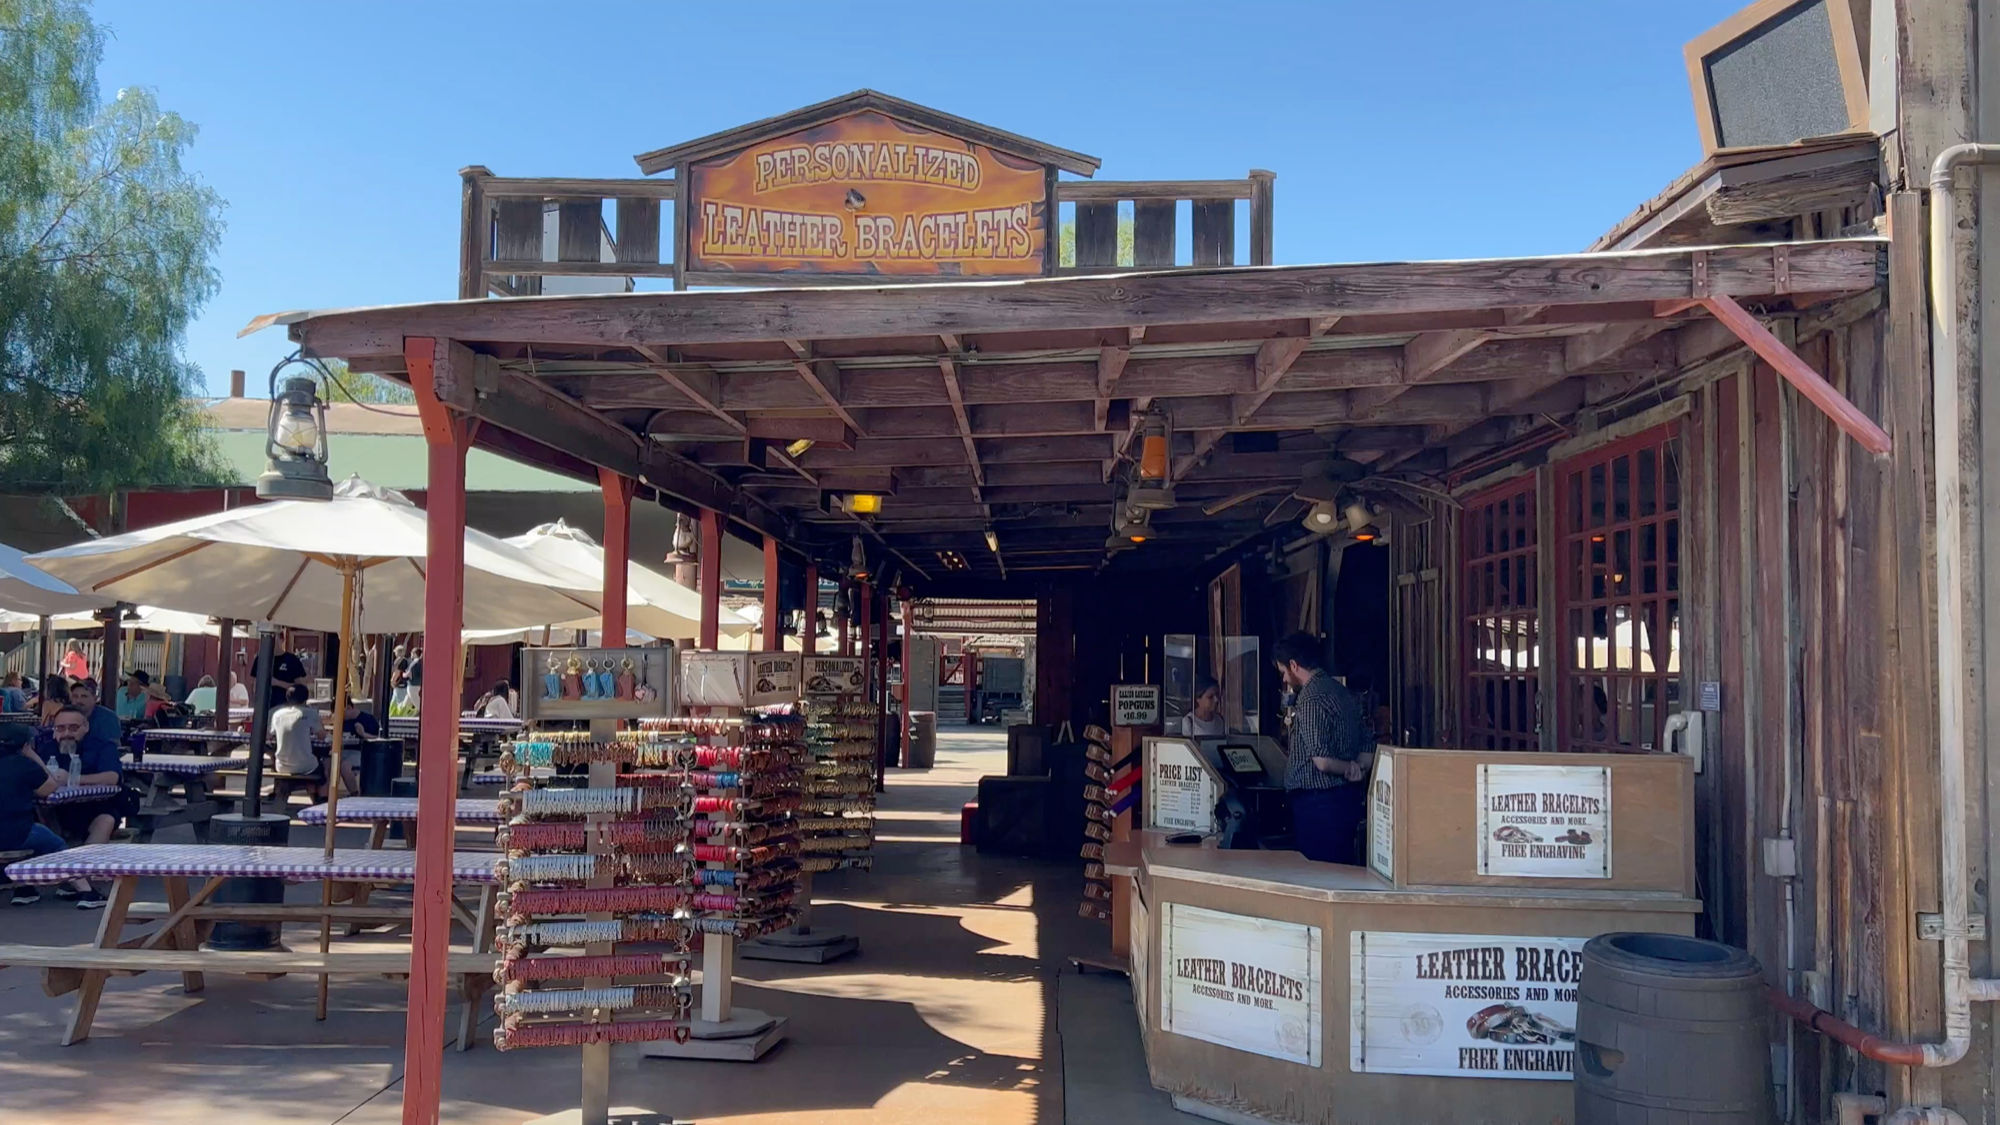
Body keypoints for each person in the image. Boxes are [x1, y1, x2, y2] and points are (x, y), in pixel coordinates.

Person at [1273, 632, 1374, 866]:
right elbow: (1368, 746)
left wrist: (1347, 767)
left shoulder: (1309, 698)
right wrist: (1357, 768)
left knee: (1319, 875)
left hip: (1317, 805)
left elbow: (1322, 760)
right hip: (1347, 799)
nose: (1285, 680)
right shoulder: (1342, 692)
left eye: (1283, 673)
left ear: (1294, 665)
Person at [0, 723, 98, 907]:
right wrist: (34, 757)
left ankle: (25, 888)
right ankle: (86, 891)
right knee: (55, 843)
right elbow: (50, 787)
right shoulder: (24, 765)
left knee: (36, 834)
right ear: (25, 745)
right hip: (15, 831)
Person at [39, 705, 124, 906]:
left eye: (73, 728)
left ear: (85, 727)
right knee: (36, 815)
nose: (66, 733)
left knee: (106, 819)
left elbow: (112, 777)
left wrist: (75, 779)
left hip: (95, 807)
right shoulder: (45, 748)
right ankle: (75, 882)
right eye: (60, 728)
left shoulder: (103, 746)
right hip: (55, 809)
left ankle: (80, 879)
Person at [271, 683, 354, 797]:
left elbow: (271, 735)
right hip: (306, 765)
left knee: (315, 765)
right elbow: (322, 736)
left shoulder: (277, 715)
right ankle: (323, 799)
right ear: (306, 698)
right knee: (326, 765)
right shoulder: (309, 713)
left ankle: (310, 791)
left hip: (281, 765)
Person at [66, 680, 124, 749]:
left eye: (84, 696)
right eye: (75, 696)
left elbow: (114, 748)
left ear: (95, 698)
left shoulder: (108, 718)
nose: (79, 700)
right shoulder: (66, 716)